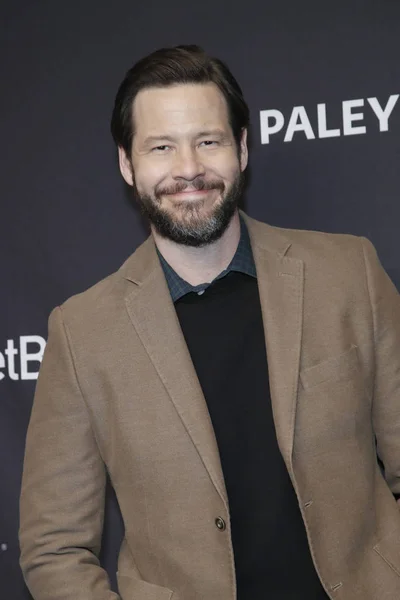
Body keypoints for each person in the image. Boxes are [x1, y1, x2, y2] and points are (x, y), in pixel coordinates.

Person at [19, 45, 400, 600]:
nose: (188, 168)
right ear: (128, 164)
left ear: (242, 149)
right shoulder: (82, 334)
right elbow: (55, 547)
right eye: (161, 147)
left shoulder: (348, 274)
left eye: (208, 141)